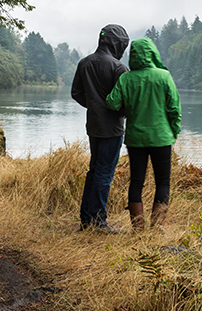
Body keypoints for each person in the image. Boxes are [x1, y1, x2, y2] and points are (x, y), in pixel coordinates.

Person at [106, 37, 181, 230]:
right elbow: (174, 108)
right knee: (163, 182)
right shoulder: (164, 76)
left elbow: (112, 103)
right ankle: (157, 229)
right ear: (153, 53)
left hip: (136, 138)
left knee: (136, 182)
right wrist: (174, 130)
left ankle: (138, 229)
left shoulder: (126, 78)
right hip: (162, 137)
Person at [71, 24, 130, 232]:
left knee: (94, 171)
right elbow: (127, 102)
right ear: (118, 44)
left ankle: (86, 220)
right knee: (105, 174)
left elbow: (76, 93)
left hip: (93, 125)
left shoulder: (84, 62)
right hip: (112, 129)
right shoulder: (119, 68)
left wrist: (94, 106)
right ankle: (98, 222)